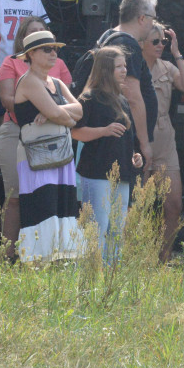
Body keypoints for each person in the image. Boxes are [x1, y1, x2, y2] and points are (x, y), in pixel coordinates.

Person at [0, 15, 69, 257]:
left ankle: (45, 252)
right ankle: (8, 255)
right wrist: (46, 109)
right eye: (34, 34)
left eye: (45, 34)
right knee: (15, 195)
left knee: (48, 194)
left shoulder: (58, 67)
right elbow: (7, 100)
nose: (50, 50)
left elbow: (71, 103)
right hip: (16, 131)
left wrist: (50, 114)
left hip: (51, 134)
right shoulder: (11, 63)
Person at [11, 30, 82, 261]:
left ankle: (60, 260)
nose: (54, 53)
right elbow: (62, 114)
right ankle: (37, 262)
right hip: (36, 158)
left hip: (61, 155)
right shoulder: (29, 81)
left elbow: (81, 110)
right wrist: (62, 117)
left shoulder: (58, 83)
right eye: (47, 49)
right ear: (31, 54)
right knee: (43, 205)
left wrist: (55, 114)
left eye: (55, 49)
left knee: (62, 205)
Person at [73, 46, 143, 263]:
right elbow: (76, 132)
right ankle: (90, 278)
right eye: (119, 66)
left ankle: (110, 279)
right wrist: (103, 130)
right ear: (105, 69)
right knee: (97, 227)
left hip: (122, 174)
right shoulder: (89, 98)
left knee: (116, 230)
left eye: (125, 66)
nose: (124, 71)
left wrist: (134, 156)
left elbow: (125, 138)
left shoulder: (121, 99)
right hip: (96, 173)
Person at [142, 21, 184, 262]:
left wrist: (177, 53)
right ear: (141, 43)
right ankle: (136, 256)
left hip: (164, 137)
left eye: (163, 41)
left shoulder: (167, 67)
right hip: (139, 136)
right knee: (136, 203)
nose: (160, 46)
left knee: (173, 202)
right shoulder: (131, 67)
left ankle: (164, 257)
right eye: (155, 41)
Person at [96, 0, 159, 169]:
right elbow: (132, 98)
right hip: (124, 143)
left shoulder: (108, 36)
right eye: (153, 18)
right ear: (142, 18)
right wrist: (144, 144)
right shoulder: (127, 44)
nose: (153, 24)